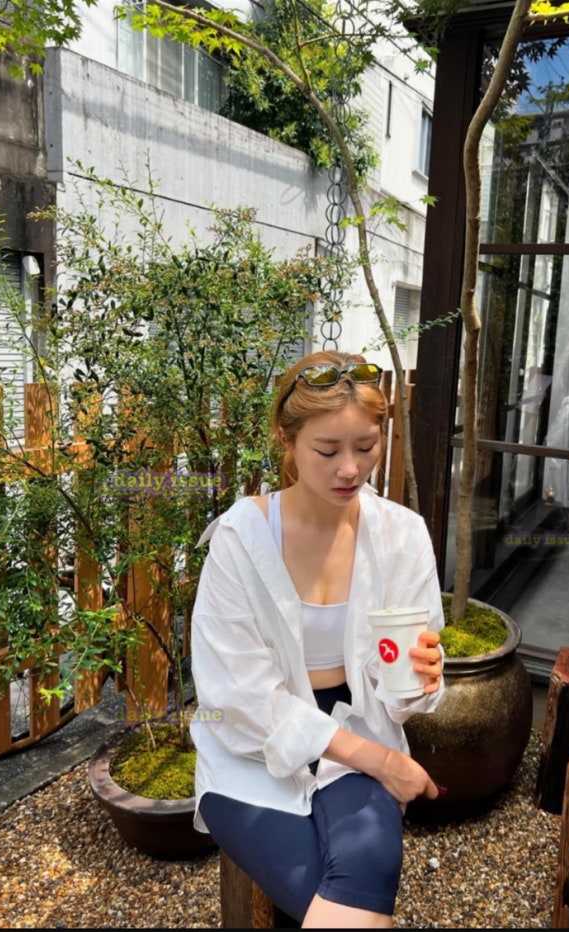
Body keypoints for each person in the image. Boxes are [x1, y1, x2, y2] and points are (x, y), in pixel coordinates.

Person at [189, 350, 445, 928]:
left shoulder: (402, 536)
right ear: (286, 439)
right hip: (251, 748)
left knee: (367, 862)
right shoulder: (241, 540)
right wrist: (385, 763)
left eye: (367, 447)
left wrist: (422, 679)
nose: (350, 469)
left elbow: (400, 693)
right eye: (328, 451)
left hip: (359, 721)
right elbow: (240, 696)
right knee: (354, 887)